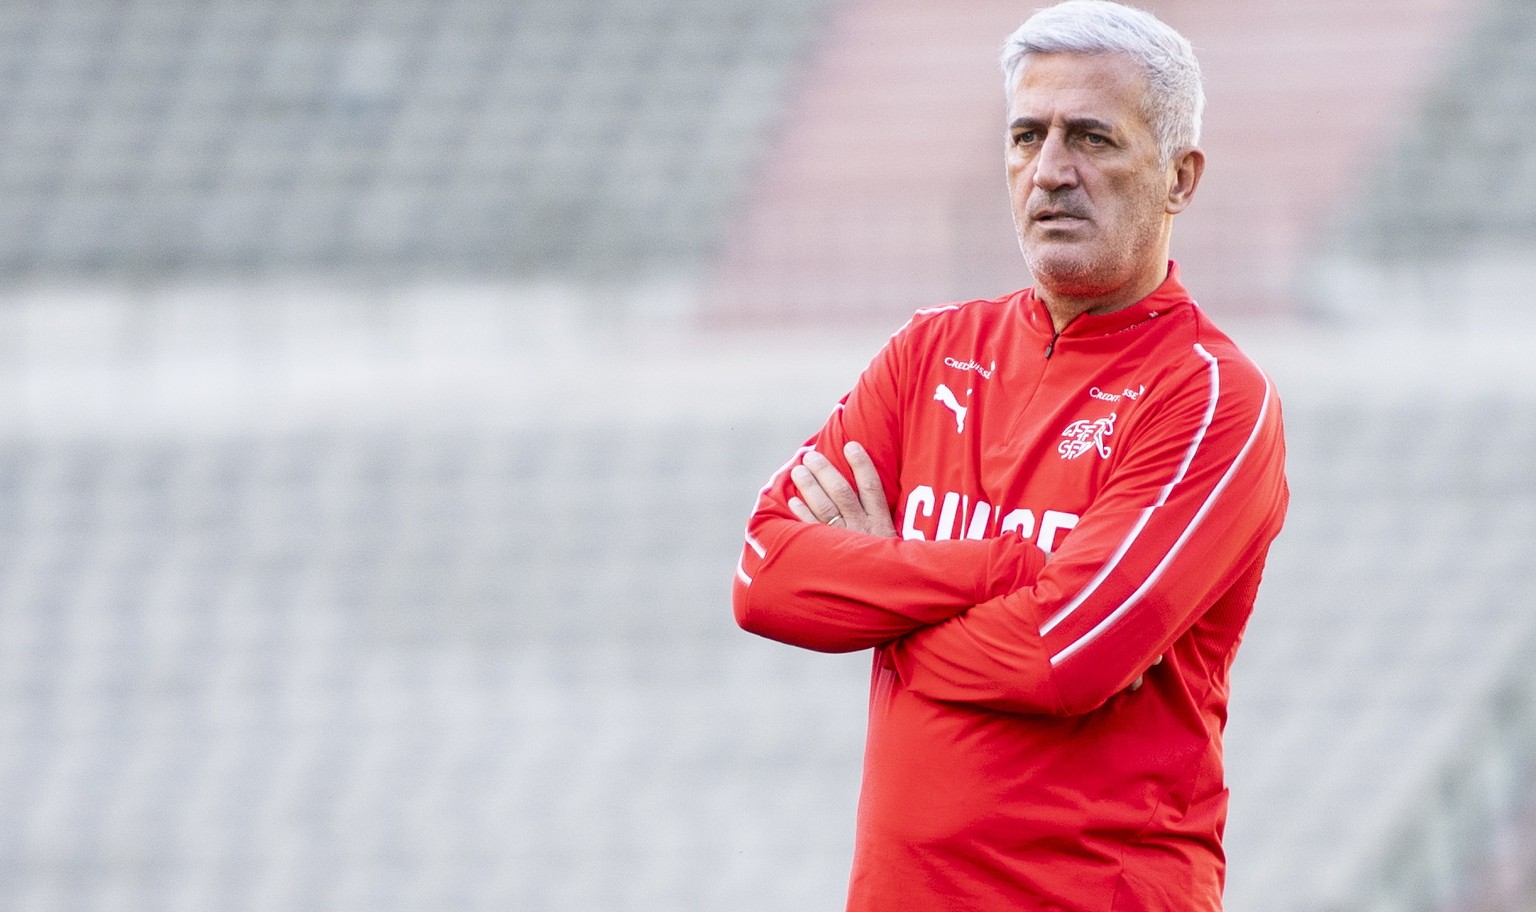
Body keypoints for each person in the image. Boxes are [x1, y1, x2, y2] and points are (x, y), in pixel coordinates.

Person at [731, 1, 1289, 909]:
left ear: (1180, 178)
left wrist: (885, 606)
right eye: (1027, 135)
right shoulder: (928, 351)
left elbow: (1064, 653)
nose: (1052, 172)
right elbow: (765, 576)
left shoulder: (1210, 395)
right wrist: (1005, 570)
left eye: (1093, 139)